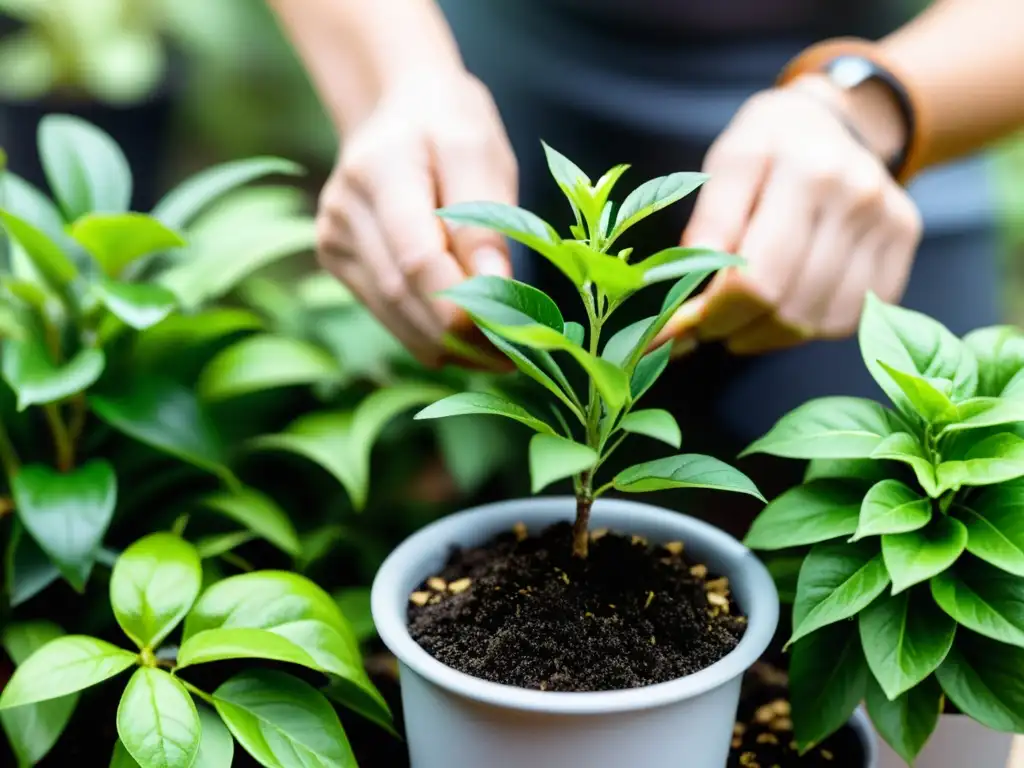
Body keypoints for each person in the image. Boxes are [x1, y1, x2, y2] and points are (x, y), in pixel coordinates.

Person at [267, 0, 1024, 504]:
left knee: (920, 532)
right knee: (468, 513)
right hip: (488, 88)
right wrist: (395, 77)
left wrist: (875, 105)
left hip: (890, 110)